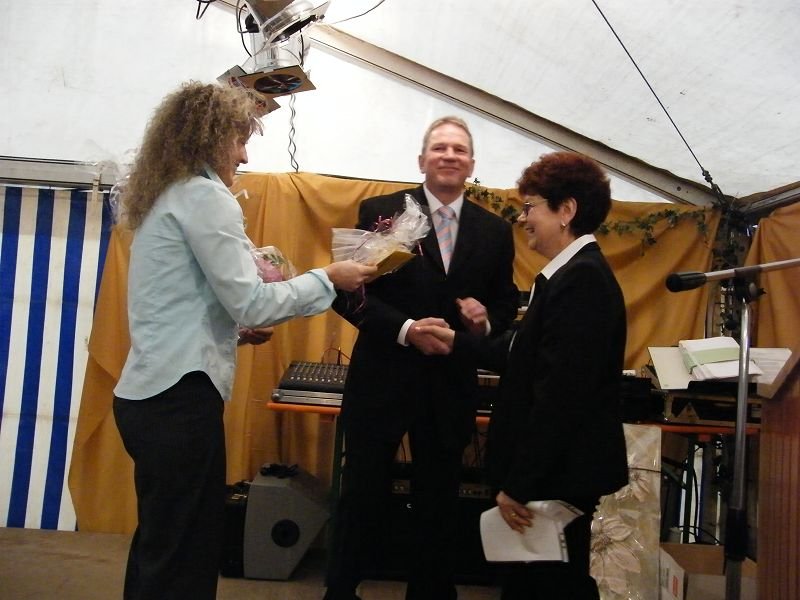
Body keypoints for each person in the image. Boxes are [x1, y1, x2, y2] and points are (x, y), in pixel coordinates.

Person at [111, 81, 375, 600]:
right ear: (209, 138)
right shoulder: (205, 197)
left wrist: (232, 330)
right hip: (177, 400)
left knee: (163, 544)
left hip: (151, 396)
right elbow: (252, 302)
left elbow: (176, 305)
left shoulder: (170, 196)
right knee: (185, 553)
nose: (244, 155)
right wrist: (329, 278)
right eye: (239, 140)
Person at [418, 151, 629, 599]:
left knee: (549, 587)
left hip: (555, 478)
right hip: (549, 474)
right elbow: (522, 353)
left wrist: (519, 485)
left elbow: (560, 397)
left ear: (566, 210)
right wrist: (458, 341)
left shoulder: (582, 281)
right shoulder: (564, 276)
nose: (523, 218)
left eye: (531, 206)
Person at [324, 116, 519, 600]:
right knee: (361, 492)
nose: (449, 155)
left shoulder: (495, 231)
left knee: (439, 498)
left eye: (459, 150)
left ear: (471, 164)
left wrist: (483, 323)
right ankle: (341, 590)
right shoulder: (382, 212)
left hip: (450, 386)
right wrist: (408, 331)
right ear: (421, 160)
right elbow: (350, 295)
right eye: (440, 148)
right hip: (383, 379)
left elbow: (503, 306)